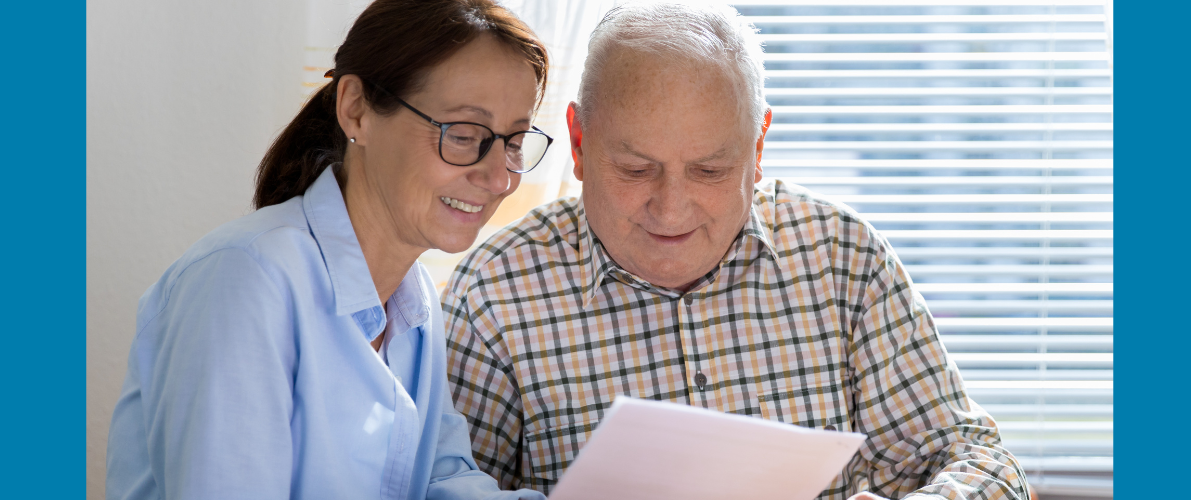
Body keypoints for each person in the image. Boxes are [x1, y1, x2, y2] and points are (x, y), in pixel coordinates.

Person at [441, 3, 1030, 500]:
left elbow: (985, 464)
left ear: (758, 148)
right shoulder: (495, 294)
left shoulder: (843, 261)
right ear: (577, 141)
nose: (671, 210)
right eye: (635, 168)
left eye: (710, 170)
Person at [105, 1, 554, 499]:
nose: (498, 177)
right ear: (355, 109)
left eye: (514, 142)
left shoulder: (414, 299)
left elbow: (443, 480)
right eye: (464, 134)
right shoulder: (247, 279)